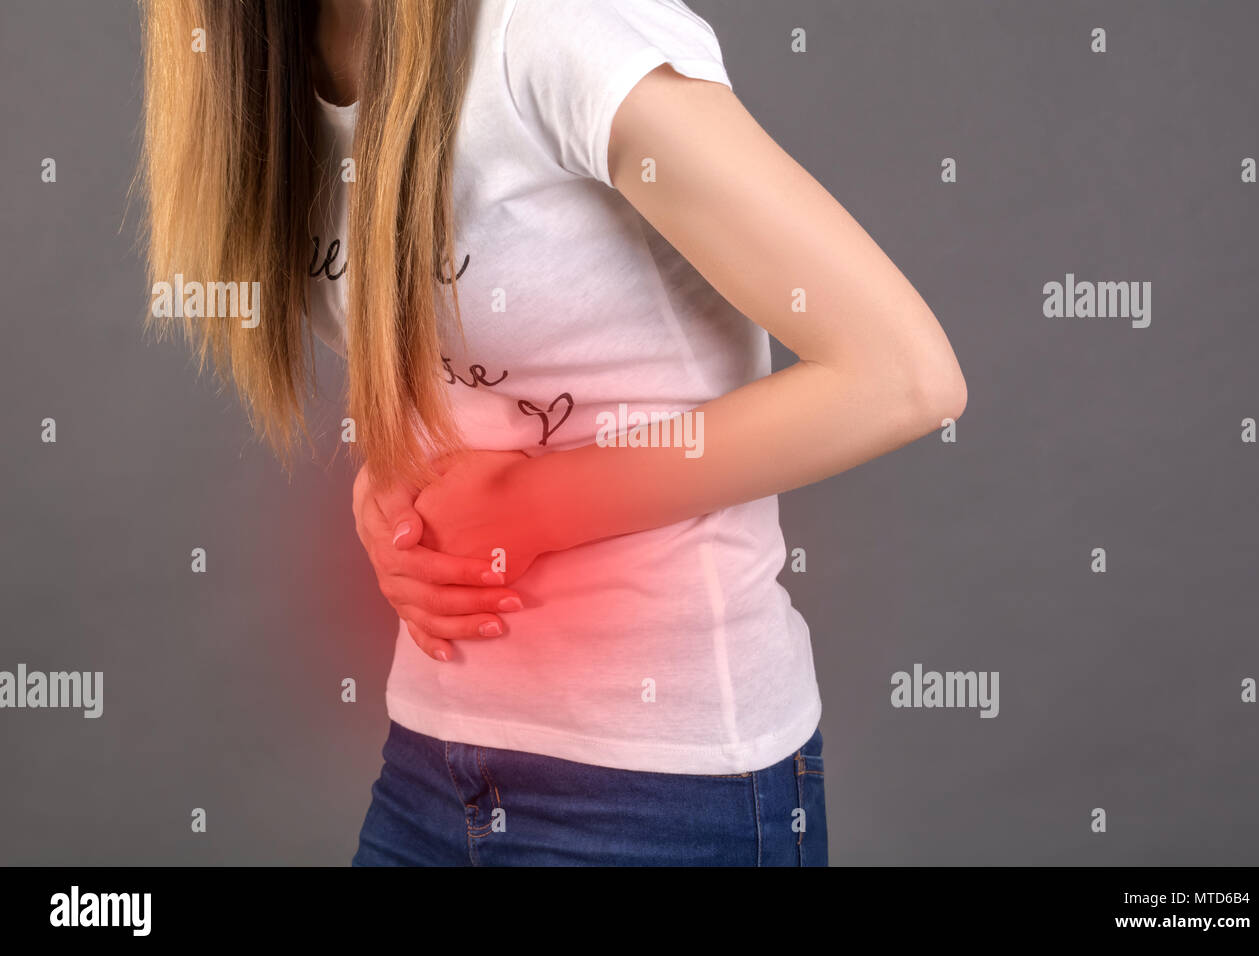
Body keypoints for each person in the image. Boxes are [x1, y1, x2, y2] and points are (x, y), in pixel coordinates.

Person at [138, 0, 967, 866]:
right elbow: (465, 373)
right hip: (434, 760)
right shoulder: (273, 62)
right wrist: (390, 494)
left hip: (661, 788)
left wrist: (531, 507)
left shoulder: (558, 28)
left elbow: (901, 377)